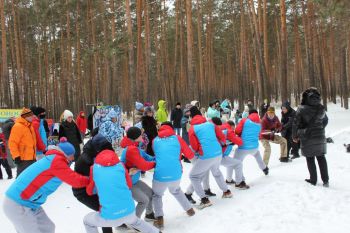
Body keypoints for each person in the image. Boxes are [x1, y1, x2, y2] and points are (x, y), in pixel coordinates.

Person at [3, 138, 89, 233]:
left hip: (29, 203)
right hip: (18, 203)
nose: (73, 159)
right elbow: (75, 180)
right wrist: (92, 180)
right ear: (66, 154)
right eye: (72, 156)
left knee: (47, 228)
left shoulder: (53, 159)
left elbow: (69, 175)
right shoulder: (56, 161)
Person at [83, 150, 160, 233]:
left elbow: (90, 191)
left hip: (110, 217)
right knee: (136, 222)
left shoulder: (94, 168)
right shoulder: (121, 166)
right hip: (129, 211)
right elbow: (129, 185)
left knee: (87, 220)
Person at [152, 122, 195, 229]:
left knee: (157, 195)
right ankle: (189, 210)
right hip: (176, 172)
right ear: (171, 129)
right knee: (176, 190)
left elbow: (157, 154)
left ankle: (159, 219)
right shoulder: (178, 138)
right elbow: (189, 154)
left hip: (160, 174)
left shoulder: (155, 140)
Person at [188, 106, 232, 209]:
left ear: (191, 117)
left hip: (206, 155)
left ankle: (204, 200)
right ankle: (226, 191)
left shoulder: (192, 129)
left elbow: (194, 146)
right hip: (218, 153)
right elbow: (221, 136)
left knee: (193, 176)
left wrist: (200, 150)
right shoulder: (210, 124)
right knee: (216, 172)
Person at [73, 133, 114, 233]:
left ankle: (119, 222)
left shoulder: (95, 152)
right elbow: (97, 180)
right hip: (83, 193)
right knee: (105, 210)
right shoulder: (87, 160)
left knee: (107, 209)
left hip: (94, 188)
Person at [292, 87, 329, 187]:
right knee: (321, 158)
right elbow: (325, 121)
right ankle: (325, 180)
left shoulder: (301, 109)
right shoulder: (321, 108)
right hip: (320, 136)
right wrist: (320, 129)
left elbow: (295, 124)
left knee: (310, 158)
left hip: (307, 136)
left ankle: (313, 180)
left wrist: (294, 136)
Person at [120, 127, 156, 221]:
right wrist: (155, 164)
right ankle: (133, 222)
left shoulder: (136, 148)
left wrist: (159, 157)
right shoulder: (131, 150)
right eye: (140, 134)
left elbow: (147, 158)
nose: (142, 135)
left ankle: (149, 214)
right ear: (135, 137)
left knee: (150, 194)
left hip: (134, 181)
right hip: (127, 183)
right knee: (143, 200)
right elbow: (144, 165)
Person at [234, 109, 268, 180]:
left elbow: (237, 131)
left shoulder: (244, 120)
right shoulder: (260, 123)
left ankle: (241, 179)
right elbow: (259, 135)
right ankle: (264, 168)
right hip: (254, 147)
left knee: (237, 162)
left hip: (243, 148)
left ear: (249, 114)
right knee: (257, 154)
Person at [8, 108, 37, 177]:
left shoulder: (30, 126)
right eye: (30, 115)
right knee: (21, 178)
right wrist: (16, 156)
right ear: (25, 116)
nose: (32, 117)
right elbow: (12, 143)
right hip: (23, 159)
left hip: (32, 157)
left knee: (31, 178)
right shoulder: (18, 126)